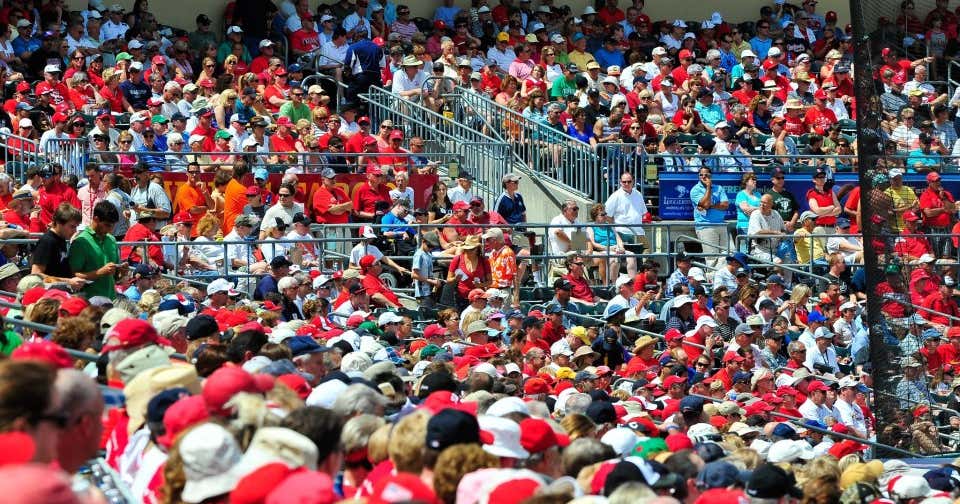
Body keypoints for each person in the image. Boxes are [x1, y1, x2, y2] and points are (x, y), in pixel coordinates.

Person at [68, 201, 121, 299]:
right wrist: (99, 273)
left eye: (113, 226)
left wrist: (122, 272)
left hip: (111, 300)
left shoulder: (112, 240)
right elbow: (73, 275)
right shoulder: (80, 242)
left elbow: (116, 277)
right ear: (96, 219)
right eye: (107, 225)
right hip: (88, 302)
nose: (111, 230)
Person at [30, 203, 85, 290]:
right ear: (59, 223)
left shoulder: (61, 238)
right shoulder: (47, 241)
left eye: (76, 227)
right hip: (50, 296)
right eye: (72, 226)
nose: (75, 231)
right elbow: (36, 274)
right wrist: (68, 281)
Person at [603, 171, 646, 275]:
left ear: (633, 182)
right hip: (623, 233)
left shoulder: (638, 194)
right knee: (625, 265)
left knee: (641, 263)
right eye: (624, 182)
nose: (626, 184)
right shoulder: (615, 196)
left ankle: (636, 285)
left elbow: (643, 212)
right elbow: (606, 215)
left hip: (639, 233)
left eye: (629, 181)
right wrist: (617, 227)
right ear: (620, 182)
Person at [690, 166, 730, 269]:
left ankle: (721, 278)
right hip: (705, 226)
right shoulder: (695, 190)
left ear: (710, 176)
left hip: (721, 224)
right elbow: (705, 205)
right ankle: (712, 279)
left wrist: (711, 206)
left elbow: (725, 205)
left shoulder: (719, 188)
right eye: (701, 175)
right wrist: (708, 187)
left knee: (728, 254)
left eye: (706, 175)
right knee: (712, 258)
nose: (703, 177)